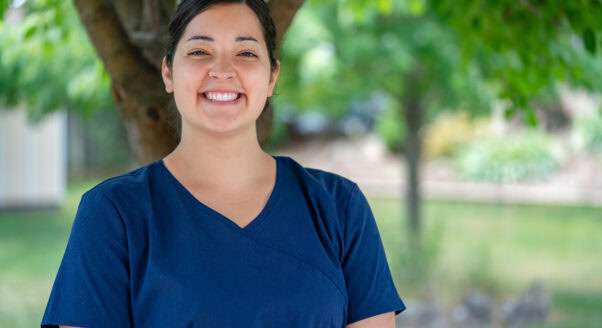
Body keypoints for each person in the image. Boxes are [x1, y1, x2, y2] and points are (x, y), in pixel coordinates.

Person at [41, 0, 406, 327]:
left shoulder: (339, 207)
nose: (222, 70)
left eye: (246, 54)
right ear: (168, 72)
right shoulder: (114, 214)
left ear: (272, 76)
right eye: (200, 51)